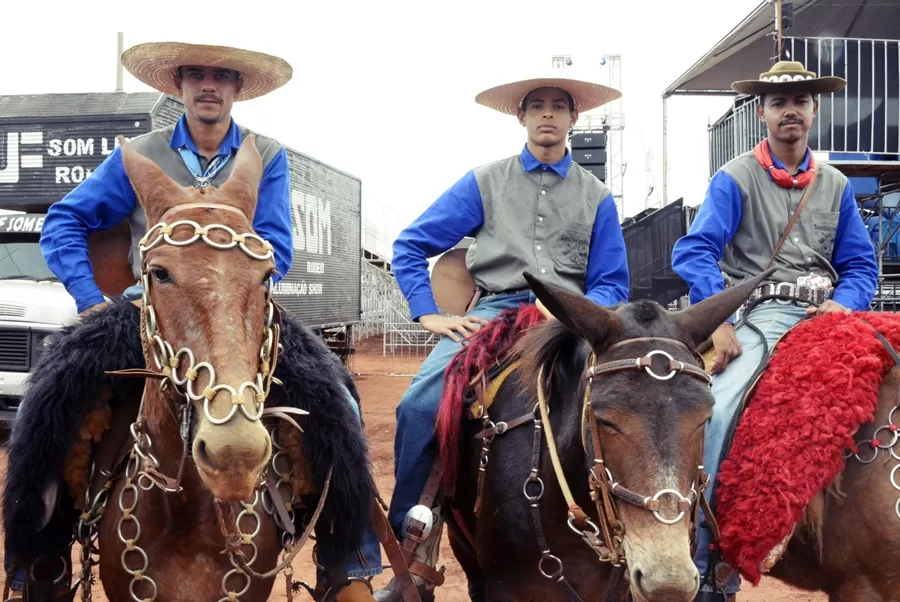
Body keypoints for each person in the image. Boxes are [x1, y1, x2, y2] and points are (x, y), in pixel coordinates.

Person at [12, 40, 382, 602]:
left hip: (239, 304)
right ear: (179, 85)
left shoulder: (267, 156)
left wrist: (233, 282)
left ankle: (345, 565)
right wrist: (90, 298)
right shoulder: (140, 153)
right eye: (196, 74)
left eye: (222, 75)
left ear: (237, 88)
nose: (209, 85)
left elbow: (275, 243)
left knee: (339, 398)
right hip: (149, 306)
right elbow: (65, 220)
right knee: (48, 397)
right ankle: (41, 566)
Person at [373, 71, 630, 601]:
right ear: (521, 116)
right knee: (418, 406)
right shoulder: (485, 181)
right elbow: (411, 244)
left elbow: (612, 283)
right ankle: (413, 548)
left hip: (567, 321)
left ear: (574, 117)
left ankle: (638, 529)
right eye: (537, 105)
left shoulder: (597, 197)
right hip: (495, 313)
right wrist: (427, 314)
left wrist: (570, 306)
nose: (547, 114)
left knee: (631, 401)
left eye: (558, 105)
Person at [670, 60, 879, 601]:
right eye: (779, 102)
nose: (791, 110)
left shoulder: (835, 184)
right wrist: (720, 320)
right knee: (717, 411)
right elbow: (694, 250)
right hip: (758, 315)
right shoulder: (734, 177)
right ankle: (707, 561)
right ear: (761, 112)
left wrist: (844, 304)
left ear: (814, 110)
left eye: (801, 101)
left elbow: (861, 265)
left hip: (828, 317)